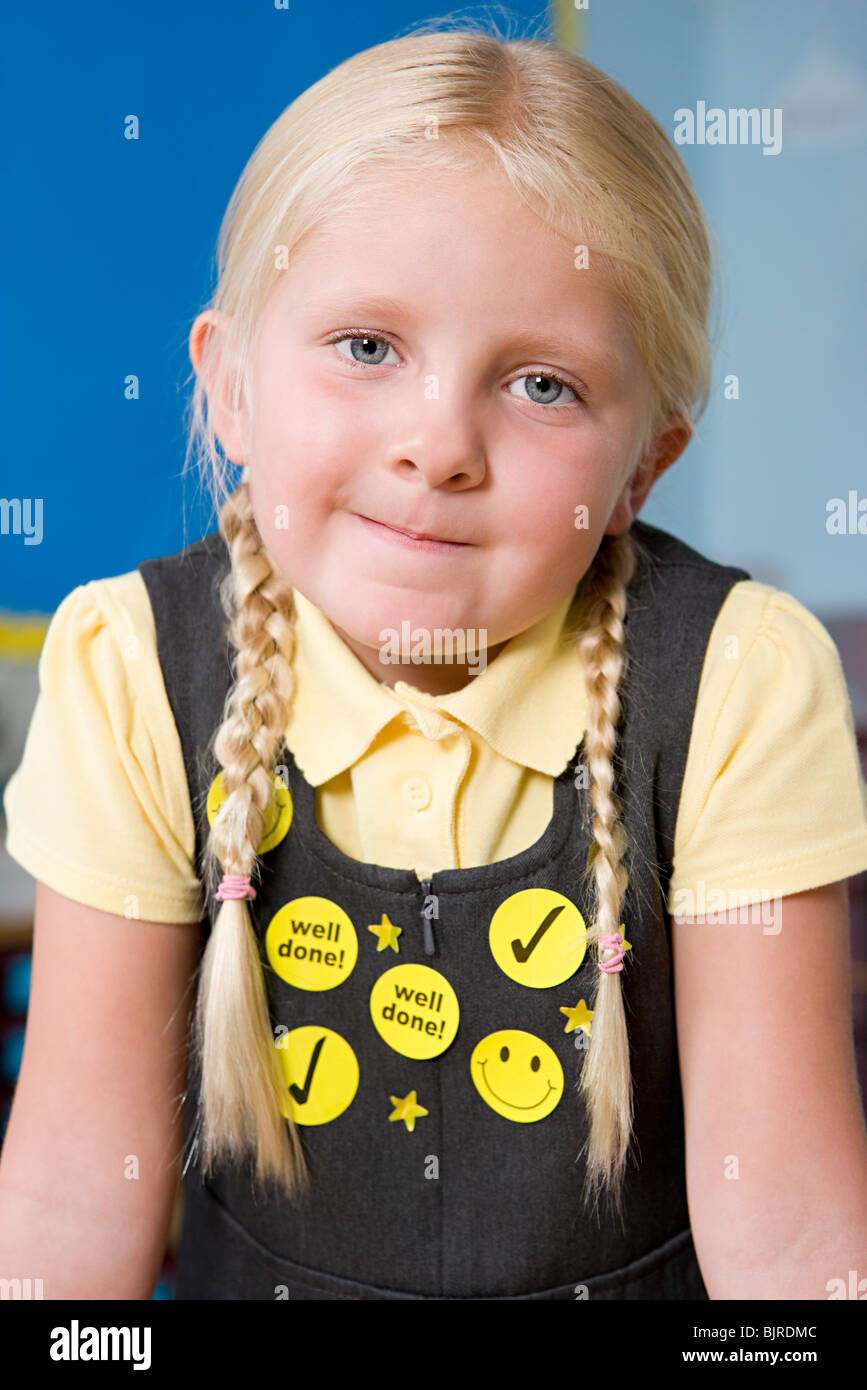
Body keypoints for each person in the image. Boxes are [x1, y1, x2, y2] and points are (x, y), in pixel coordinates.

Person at [2, 23, 867, 1302]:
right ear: (229, 388)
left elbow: (792, 1243)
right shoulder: (131, 665)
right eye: (367, 348)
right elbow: (77, 1201)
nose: (438, 445)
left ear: (644, 467)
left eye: (541, 384)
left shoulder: (741, 678)